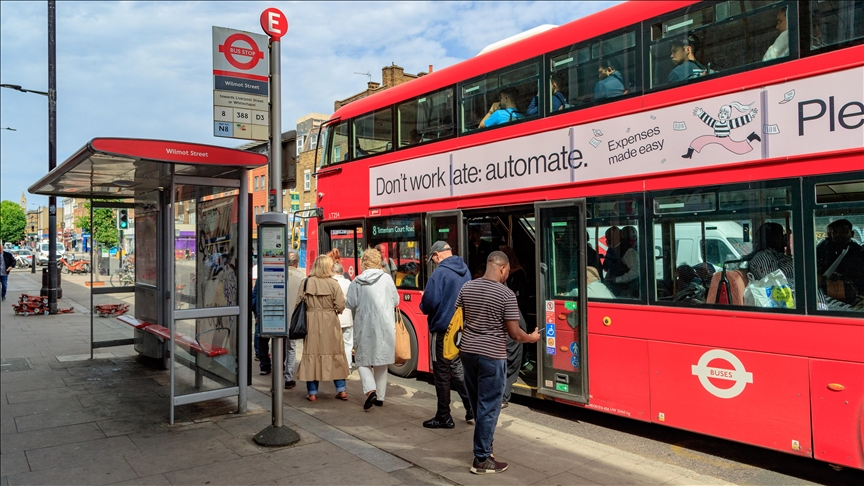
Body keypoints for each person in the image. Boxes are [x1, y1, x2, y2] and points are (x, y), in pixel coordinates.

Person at [456, 251, 541, 474]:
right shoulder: (506, 294)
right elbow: (515, 334)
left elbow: (460, 317)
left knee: (477, 403)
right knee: (489, 407)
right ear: (503, 268)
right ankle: (482, 459)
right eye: (507, 271)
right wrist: (531, 338)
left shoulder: (467, 287)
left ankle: (485, 446)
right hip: (492, 356)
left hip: (468, 352)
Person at [420, 241, 473, 428]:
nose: (434, 262)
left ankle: (444, 416)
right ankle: (471, 409)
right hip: (460, 330)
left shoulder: (439, 273)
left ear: (437, 255)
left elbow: (428, 303)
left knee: (441, 373)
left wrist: (422, 306)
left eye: (433, 259)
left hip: (442, 330)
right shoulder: (465, 270)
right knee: (457, 369)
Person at [346, 248, 400, 410]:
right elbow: (396, 300)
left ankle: (370, 390)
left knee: (362, 359)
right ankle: (380, 397)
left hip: (364, 324)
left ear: (363, 263)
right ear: (378, 262)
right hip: (384, 324)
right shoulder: (387, 279)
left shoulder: (357, 281)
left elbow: (350, 303)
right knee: (381, 360)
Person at [295, 255, 350, 402]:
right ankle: (341, 390)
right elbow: (340, 305)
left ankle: (312, 392)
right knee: (335, 353)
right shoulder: (334, 283)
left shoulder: (306, 282)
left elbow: (298, 303)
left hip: (311, 321)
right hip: (330, 321)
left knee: (311, 354)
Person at [746, 222, 794, 288]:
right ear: (772, 238)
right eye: (782, 234)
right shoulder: (763, 257)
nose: (785, 237)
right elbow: (774, 284)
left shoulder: (777, 255)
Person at [332, 261, 354, 367]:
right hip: (347, 317)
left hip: (334, 317)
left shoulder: (330, 282)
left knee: (334, 343)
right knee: (348, 343)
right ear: (342, 272)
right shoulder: (349, 283)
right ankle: (348, 364)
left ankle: (336, 364)